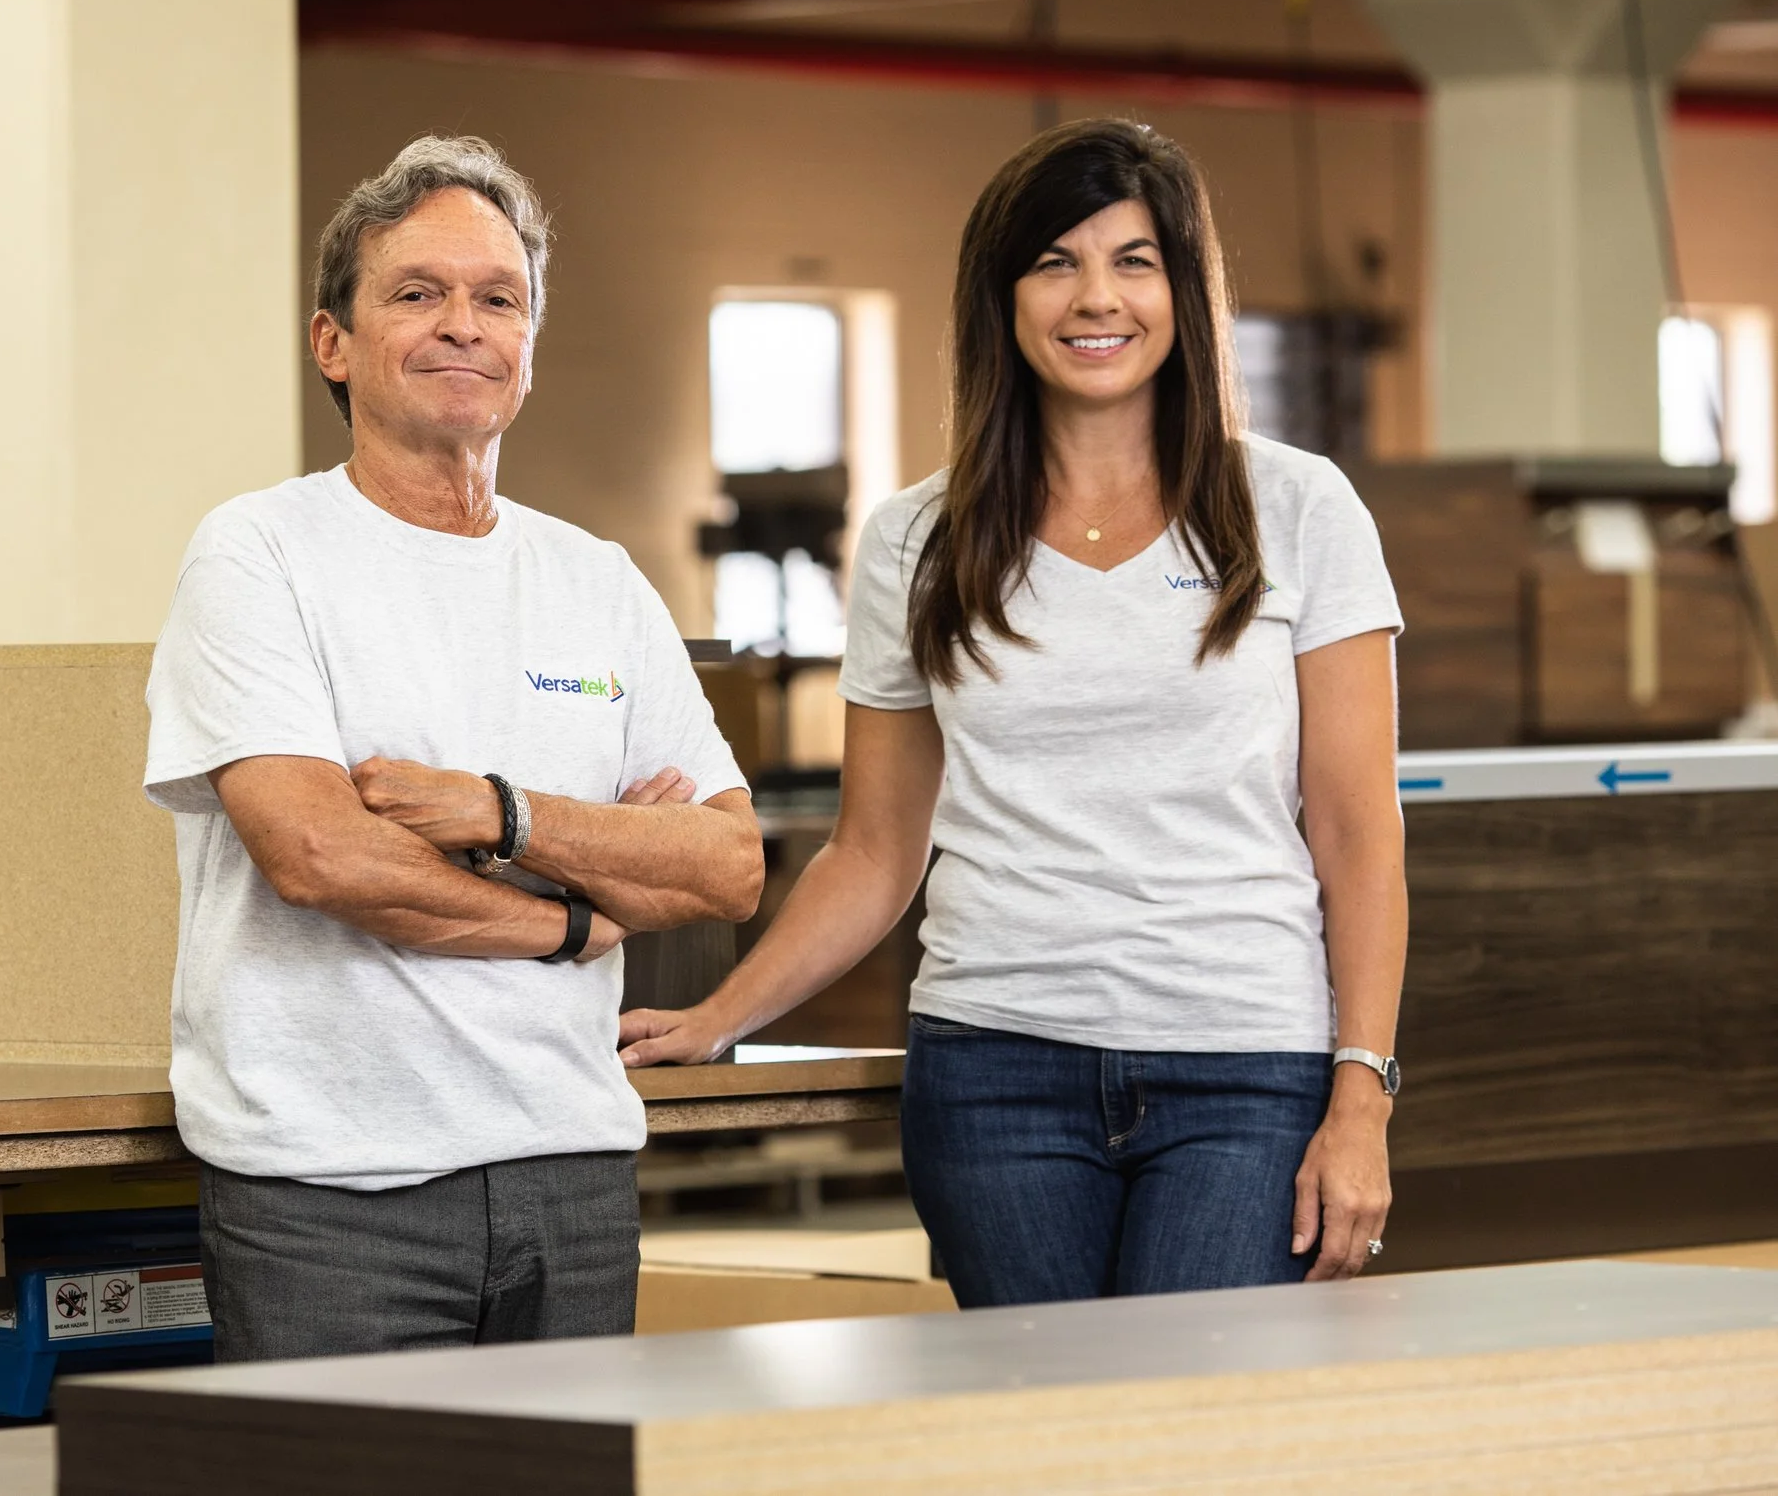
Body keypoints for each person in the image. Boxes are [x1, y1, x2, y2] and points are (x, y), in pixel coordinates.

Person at [621, 118, 1408, 1306]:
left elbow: (1358, 834)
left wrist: (1361, 1091)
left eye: (1134, 260)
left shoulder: (1297, 507)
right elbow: (876, 849)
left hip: (1245, 1062)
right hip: (994, 1070)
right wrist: (720, 1011)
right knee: (1040, 1442)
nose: (1097, 297)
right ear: (1002, 295)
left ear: (1183, 292)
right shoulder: (917, 538)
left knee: (1183, 1433)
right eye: (1055, 261)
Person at [144, 134, 761, 1361]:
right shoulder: (260, 553)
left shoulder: (596, 581)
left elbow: (727, 868)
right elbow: (318, 854)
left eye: (497, 297)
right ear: (334, 341)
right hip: (330, 1191)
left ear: (528, 343)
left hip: (570, 1174)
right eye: (417, 293)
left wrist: (499, 815)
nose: (461, 326)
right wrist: (582, 916)